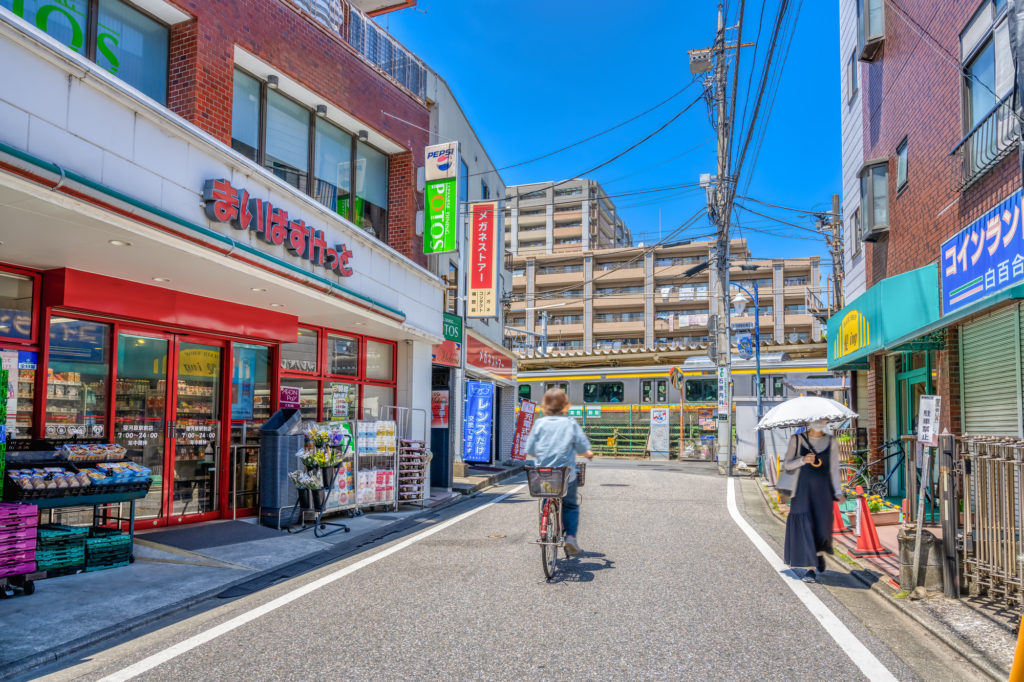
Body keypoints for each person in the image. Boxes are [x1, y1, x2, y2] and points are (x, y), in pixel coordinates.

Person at [524, 388, 594, 556]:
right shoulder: (570, 423)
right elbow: (583, 447)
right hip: (564, 475)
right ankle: (570, 538)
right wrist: (588, 454)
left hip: (542, 474)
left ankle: (544, 529)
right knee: (570, 505)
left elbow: (530, 450)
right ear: (565, 406)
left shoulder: (539, 424)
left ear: (544, 406)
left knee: (546, 497)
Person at [781, 419, 845, 583]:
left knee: (821, 527)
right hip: (801, 490)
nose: (819, 422)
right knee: (806, 526)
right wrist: (803, 460)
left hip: (823, 490)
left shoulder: (831, 441)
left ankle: (818, 555)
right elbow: (787, 465)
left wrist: (837, 491)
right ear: (809, 421)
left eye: (823, 419)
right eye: (816, 419)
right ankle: (810, 569)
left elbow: (834, 469)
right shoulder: (797, 439)